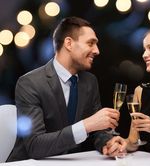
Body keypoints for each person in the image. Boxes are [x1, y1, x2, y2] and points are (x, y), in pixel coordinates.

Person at [7, 16, 126, 162]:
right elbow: (35, 146)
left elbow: (97, 131)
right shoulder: (30, 83)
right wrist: (86, 125)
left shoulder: (90, 81)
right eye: (91, 43)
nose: (97, 51)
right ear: (68, 43)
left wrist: (107, 143)